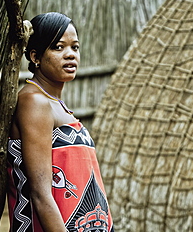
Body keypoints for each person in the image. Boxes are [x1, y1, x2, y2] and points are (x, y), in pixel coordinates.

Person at [7, 12, 114, 232]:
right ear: (35, 57)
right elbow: (41, 194)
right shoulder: (34, 102)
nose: (70, 55)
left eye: (75, 47)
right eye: (58, 47)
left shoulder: (56, 104)